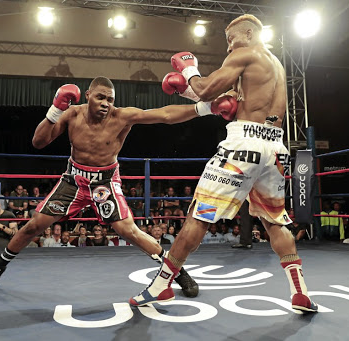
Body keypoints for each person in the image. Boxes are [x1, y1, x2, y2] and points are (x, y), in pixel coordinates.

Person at [130, 14, 318, 313]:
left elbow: (205, 89)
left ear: (248, 32)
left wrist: (189, 69)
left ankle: (162, 285)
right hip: (276, 149)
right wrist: (185, 89)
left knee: (199, 215)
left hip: (243, 146)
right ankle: (300, 292)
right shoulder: (277, 66)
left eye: (231, 38)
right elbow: (217, 98)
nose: (229, 46)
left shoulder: (246, 53)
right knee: (274, 220)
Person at [0, 76, 203, 296]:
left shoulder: (122, 116)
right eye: (100, 97)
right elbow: (38, 141)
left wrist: (203, 108)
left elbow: (165, 115)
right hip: (73, 181)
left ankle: (177, 272)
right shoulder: (73, 114)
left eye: (110, 99)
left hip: (105, 182)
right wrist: (56, 109)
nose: (106, 103)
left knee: (129, 231)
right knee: (32, 226)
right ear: (88, 95)